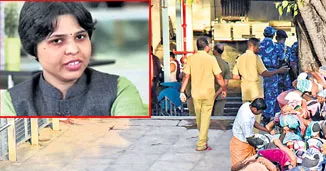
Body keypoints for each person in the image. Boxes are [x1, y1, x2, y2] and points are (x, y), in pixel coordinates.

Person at [1, 2, 147, 116]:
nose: (74, 49)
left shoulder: (119, 90)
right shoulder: (12, 102)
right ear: (33, 47)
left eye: (80, 37)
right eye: (57, 41)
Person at [179, 36, 226, 151]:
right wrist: (223, 88)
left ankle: (203, 139)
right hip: (208, 93)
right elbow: (218, 76)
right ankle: (201, 143)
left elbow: (186, 76)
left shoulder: (191, 59)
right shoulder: (211, 59)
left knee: (199, 117)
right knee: (205, 118)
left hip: (196, 93)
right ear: (206, 47)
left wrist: (182, 91)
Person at [232, 38, 289, 104]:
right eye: (258, 46)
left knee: (246, 112)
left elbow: (235, 76)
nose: (259, 48)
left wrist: (245, 77)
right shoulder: (256, 58)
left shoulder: (240, 58)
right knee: (256, 113)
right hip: (256, 93)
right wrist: (279, 71)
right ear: (252, 46)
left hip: (245, 92)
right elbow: (264, 73)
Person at [229, 98, 272, 170]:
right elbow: (249, 139)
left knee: (249, 166)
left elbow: (253, 122)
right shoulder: (246, 120)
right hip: (241, 144)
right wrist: (262, 143)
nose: (260, 113)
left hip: (246, 141)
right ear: (255, 109)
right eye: (260, 111)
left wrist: (266, 130)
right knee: (239, 166)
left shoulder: (246, 105)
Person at [212, 43, 232, 116]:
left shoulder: (209, 62)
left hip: (207, 92)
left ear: (214, 51)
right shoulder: (225, 64)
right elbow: (225, 82)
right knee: (218, 117)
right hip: (220, 94)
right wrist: (216, 94)